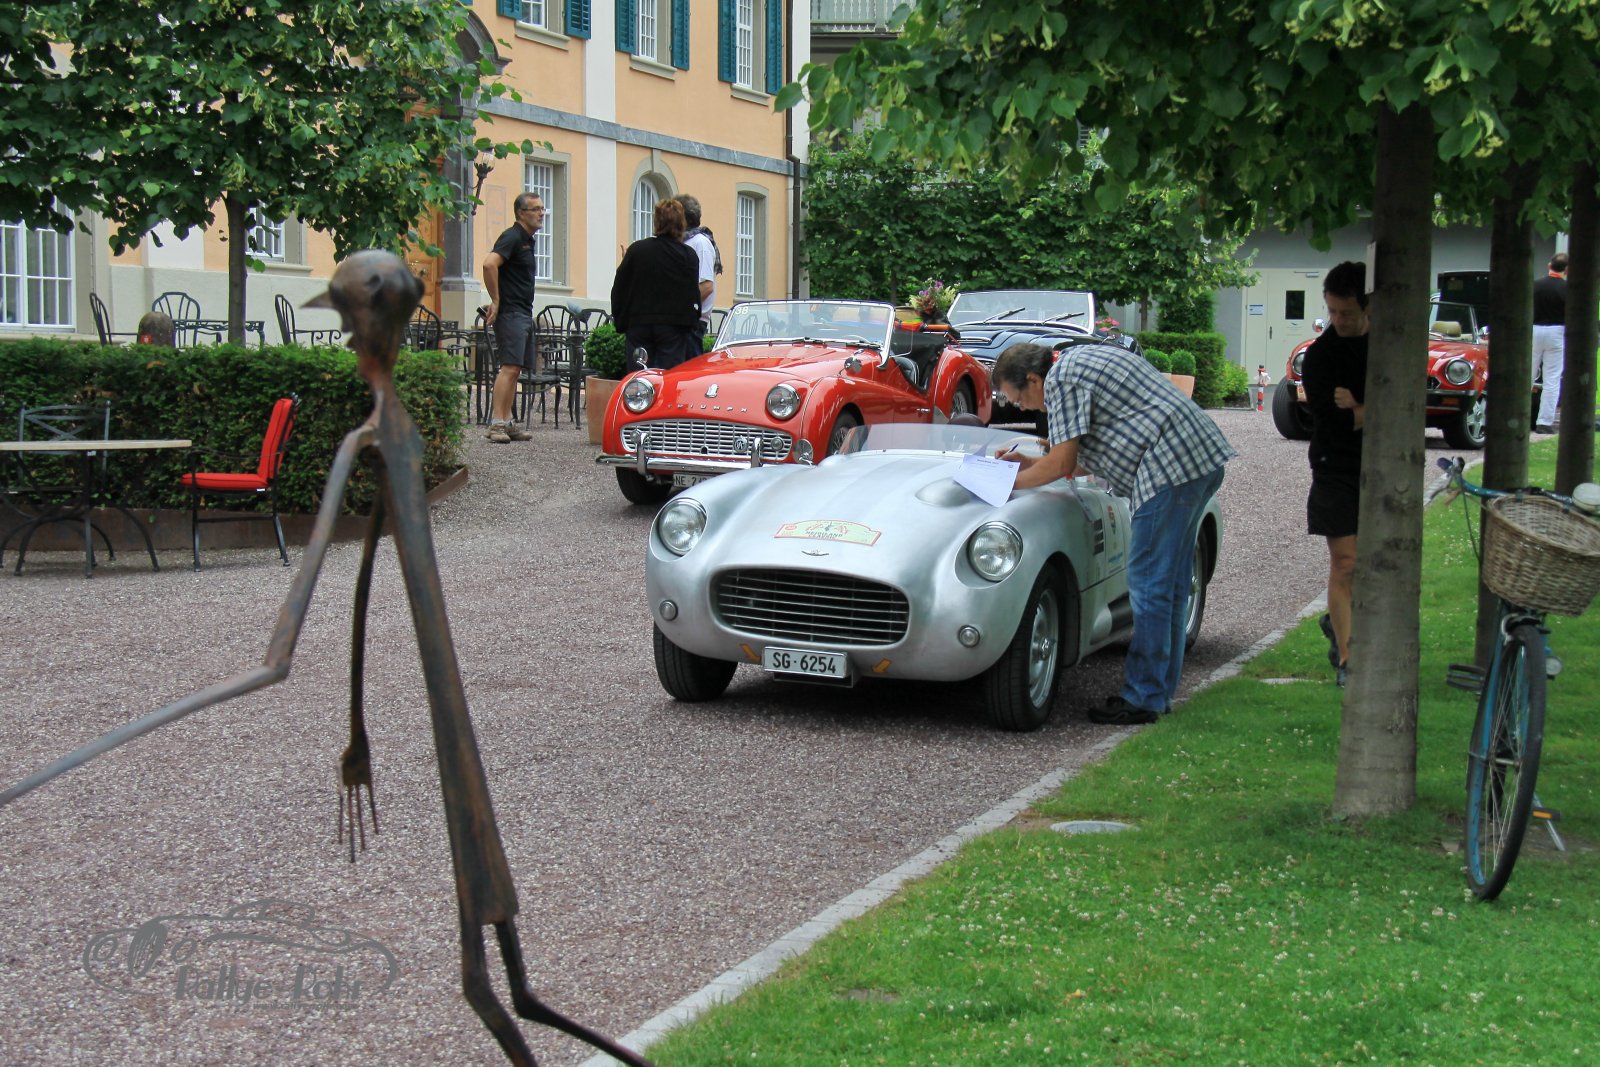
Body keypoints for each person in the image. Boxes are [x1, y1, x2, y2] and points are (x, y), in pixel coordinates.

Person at [991, 341, 1236, 725]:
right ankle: (1157, 693)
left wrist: (1004, 483)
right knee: (1169, 587)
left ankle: (1143, 697)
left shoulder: (1061, 380)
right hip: (1195, 457)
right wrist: (1028, 463)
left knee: (1149, 585)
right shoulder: (1075, 363)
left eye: (1018, 398)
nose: (1022, 408)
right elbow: (1077, 457)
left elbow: (1062, 463)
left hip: (1170, 468)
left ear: (1034, 379)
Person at [1299, 260, 1369, 687]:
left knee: (1375, 564)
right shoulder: (1321, 357)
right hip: (1334, 465)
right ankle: (1348, 659)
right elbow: (1332, 419)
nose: (1338, 321)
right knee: (1346, 562)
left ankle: (1342, 624)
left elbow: (1409, 405)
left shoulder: (1388, 346)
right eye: (1332, 312)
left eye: (1347, 312)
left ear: (1368, 307)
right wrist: (1366, 411)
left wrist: (1361, 408)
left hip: (1380, 466)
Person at [480, 192, 545, 444]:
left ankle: (507, 422)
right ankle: (496, 423)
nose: (541, 213)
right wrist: (496, 300)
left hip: (523, 311)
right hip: (511, 312)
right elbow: (489, 264)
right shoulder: (513, 236)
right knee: (509, 367)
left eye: (542, 208)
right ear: (521, 213)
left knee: (515, 369)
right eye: (535, 209)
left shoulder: (526, 240)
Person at [610, 199, 702, 369]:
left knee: (639, 376)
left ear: (657, 222)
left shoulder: (637, 250)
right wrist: (691, 323)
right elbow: (692, 294)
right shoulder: (688, 255)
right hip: (673, 327)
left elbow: (619, 288)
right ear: (681, 223)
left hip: (639, 324)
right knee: (668, 377)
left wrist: (622, 321)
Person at [674, 194, 720, 349]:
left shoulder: (700, 243)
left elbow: (706, 286)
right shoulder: (684, 242)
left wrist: (678, 307)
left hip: (691, 321)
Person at [1531, 251, 1568, 434]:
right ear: (1566, 270)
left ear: (1549, 265)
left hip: (1534, 330)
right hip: (1557, 332)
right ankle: (1544, 422)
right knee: (1552, 379)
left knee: (1526, 376)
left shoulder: (1535, 285)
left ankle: (1519, 414)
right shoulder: (1567, 289)